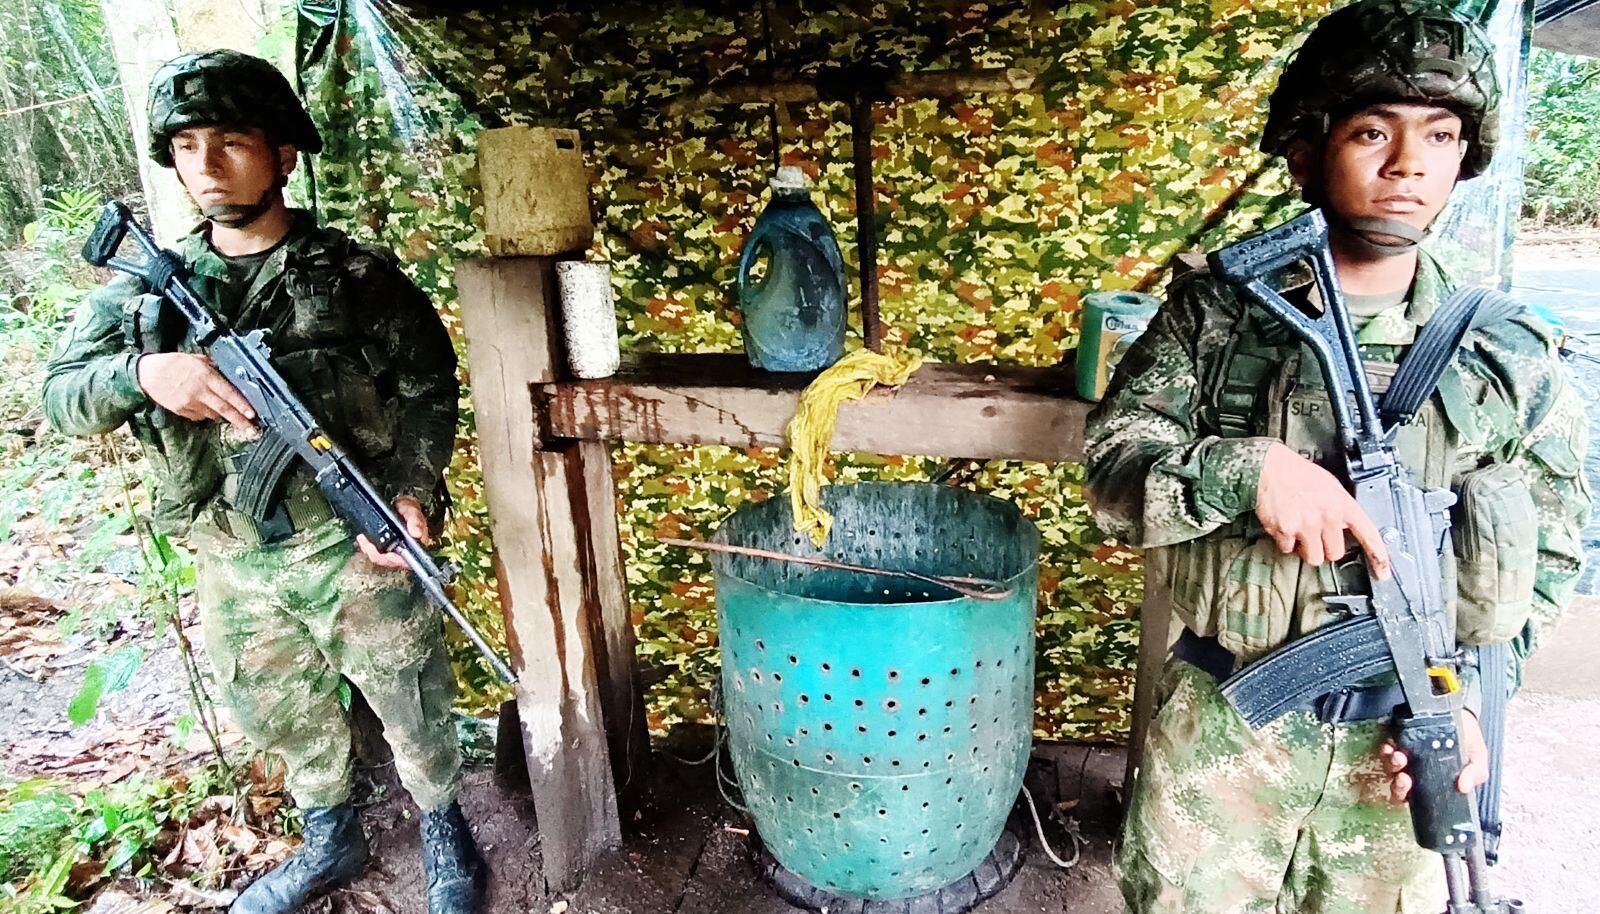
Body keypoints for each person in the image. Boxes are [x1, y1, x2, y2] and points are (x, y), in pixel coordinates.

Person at [1084, 2, 1590, 911]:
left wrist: (1477, 702)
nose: (1409, 165)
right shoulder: (1218, 318)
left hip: (1401, 749)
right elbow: (1112, 472)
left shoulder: (1509, 353)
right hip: (1226, 733)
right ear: (1306, 150)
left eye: (1441, 136)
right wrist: (1248, 471)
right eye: (1372, 132)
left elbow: (1548, 555)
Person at [42, 50, 486, 914]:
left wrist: (410, 490)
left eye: (232, 142)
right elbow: (60, 395)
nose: (206, 165)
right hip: (231, 553)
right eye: (186, 146)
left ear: (283, 155)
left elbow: (430, 388)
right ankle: (330, 837)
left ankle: (443, 825)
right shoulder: (145, 295)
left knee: (411, 695)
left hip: (349, 546)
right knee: (277, 709)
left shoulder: (358, 280)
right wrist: (145, 374)